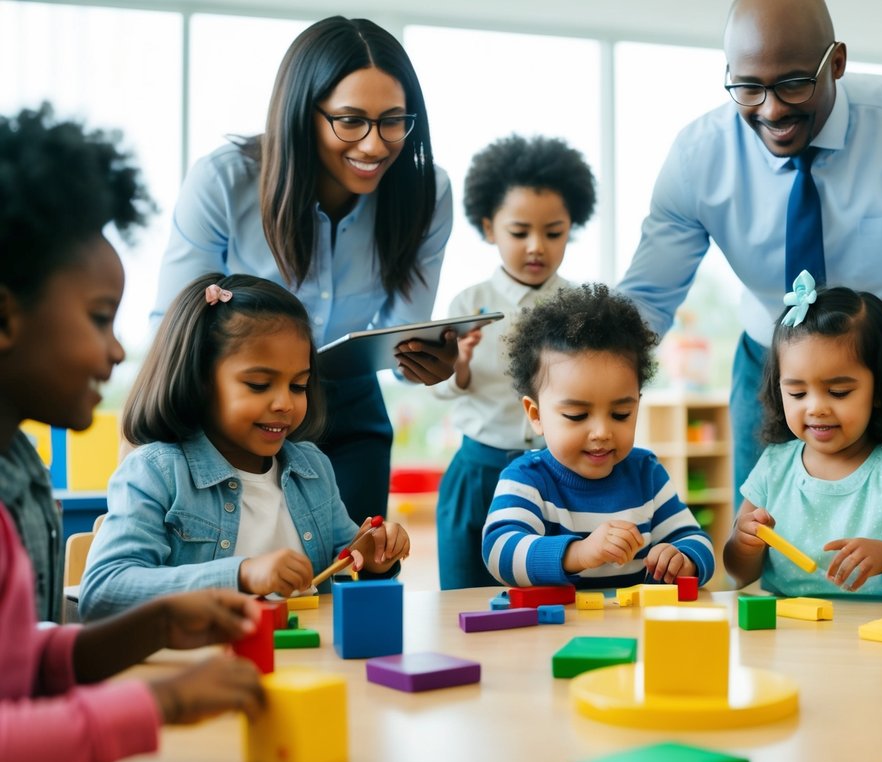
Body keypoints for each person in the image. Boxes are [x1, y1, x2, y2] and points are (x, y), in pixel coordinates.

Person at [616, 0, 882, 526]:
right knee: (765, 552)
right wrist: (588, 374)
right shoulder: (698, 159)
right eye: (749, 88)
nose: (771, 110)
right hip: (771, 372)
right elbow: (646, 300)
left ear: (836, 62)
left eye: (794, 84)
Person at [0, 105, 264, 762]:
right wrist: (160, 705)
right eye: (97, 318)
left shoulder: (16, 465)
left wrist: (146, 629)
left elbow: (14, 662)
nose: (118, 350)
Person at [157, 16, 456, 524]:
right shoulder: (225, 180)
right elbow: (175, 325)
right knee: (248, 574)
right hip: (237, 403)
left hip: (350, 406)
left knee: (354, 574)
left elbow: (398, 335)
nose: (374, 144)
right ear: (303, 114)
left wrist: (423, 362)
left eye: (393, 121)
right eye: (350, 120)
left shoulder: (427, 194)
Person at [79, 274, 409, 621]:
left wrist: (372, 560)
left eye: (299, 385)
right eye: (259, 384)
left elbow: (345, 566)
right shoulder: (156, 472)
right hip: (202, 671)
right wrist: (240, 575)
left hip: (308, 670)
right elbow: (103, 591)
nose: (285, 403)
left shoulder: (313, 469)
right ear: (200, 381)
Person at [430, 135, 596, 589]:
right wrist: (459, 364)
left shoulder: (580, 304)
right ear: (489, 228)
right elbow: (439, 386)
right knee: (464, 598)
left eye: (554, 232)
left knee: (552, 596)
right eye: (519, 232)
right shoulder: (468, 303)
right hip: (477, 473)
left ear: (572, 227)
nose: (536, 246)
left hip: (556, 477)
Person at [724, 276, 882, 597]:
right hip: (787, 639)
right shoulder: (773, 466)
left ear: (880, 389)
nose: (816, 408)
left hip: (878, 638)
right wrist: (743, 545)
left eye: (839, 392)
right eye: (798, 393)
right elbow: (740, 574)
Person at [482, 284, 714, 588]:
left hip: (633, 631)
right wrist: (579, 553)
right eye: (577, 416)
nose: (602, 432)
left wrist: (683, 558)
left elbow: (696, 539)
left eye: (621, 415)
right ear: (536, 415)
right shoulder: (528, 480)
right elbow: (499, 552)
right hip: (554, 632)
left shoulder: (646, 474)